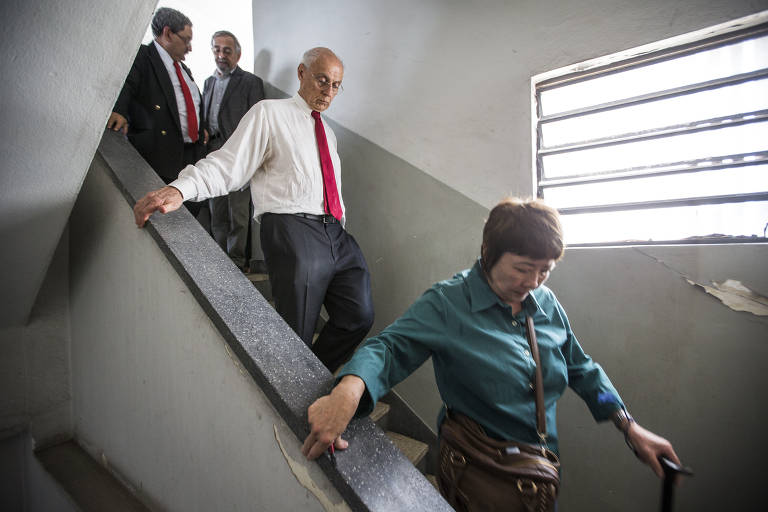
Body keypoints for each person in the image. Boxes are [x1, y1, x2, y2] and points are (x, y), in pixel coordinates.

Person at [302, 197, 680, 509]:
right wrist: (347, 392)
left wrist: (628, 426)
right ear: (488, 252)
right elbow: (389, 348)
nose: (532, 283)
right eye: (522, 269)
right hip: (479, 471)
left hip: (537, 473)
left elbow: (581, 369)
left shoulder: (545, 304)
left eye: (545, 271)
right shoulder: (450, 302)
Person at [133, 48, 374, 373]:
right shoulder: (269, 113)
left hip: (336, 233)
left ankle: (309, 377)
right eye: (322, 80)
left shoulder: (327, 132)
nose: (328, 91)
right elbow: (229, 164)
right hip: (293, 228)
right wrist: (181, 188)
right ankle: (295, 392)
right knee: (296, 333)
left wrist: (338, 228)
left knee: (358, 316)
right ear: (302, 74)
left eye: (335, 85)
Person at [107, 7, 205, 215]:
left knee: (193, 219)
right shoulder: (142, 57)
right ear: (168, 33)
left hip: (190, 157)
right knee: (167, 220)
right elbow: (125, 84)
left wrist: (201, 127)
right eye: (186, 40)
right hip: (158, 157)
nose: (189, 48)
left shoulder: (184, 70)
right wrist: (118, 110)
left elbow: (191, 105)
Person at [202, 30, 265, 272]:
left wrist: (251, 163)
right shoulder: (208, 82)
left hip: (239, 156)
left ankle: (237, 264)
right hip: (213, 155)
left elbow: (259, 125)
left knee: (238, 214)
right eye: (216, 49)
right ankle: (221, 262)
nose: (221, 55)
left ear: (237, 55)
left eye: (226, 51)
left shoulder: (250, 82)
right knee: (217, 212)